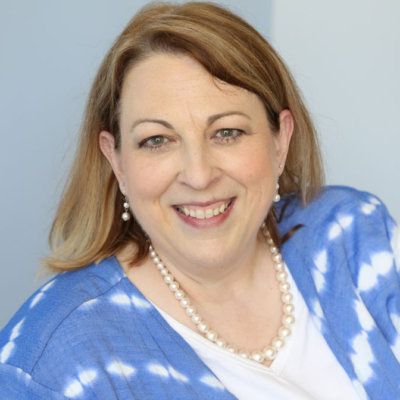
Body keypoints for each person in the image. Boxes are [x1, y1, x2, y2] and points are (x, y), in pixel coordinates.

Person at [0, 2, 399, 399]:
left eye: (226, 132)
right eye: (157, 140)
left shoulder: (356, 237)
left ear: (280, 140)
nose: (198, 174)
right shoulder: (46, 365)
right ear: (116, 160)